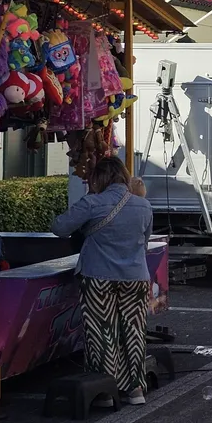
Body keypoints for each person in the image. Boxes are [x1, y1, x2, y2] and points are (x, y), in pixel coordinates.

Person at [51, 156, 155, 405]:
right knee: (134, 331)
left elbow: (59, 227)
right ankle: (136, 389)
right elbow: (146, 239)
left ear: (101, 178)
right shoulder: (143, 206)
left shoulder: (92, 203)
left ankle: (105, 391)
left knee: (101, 333)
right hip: (136, 278)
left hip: (99, 278)